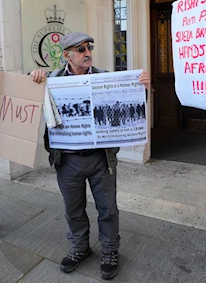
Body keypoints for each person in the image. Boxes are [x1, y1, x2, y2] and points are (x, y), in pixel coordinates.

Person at [31, 32, 150, 280]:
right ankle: (79, 248)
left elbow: (131, 104)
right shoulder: (51, 81)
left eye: (89, 48)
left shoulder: (105, 78)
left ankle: (109, 251)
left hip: (100, 160)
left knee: (107, 209)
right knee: (73, 209)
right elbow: (29, 105)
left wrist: (142, 87)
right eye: (80, 49)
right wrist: (34, 80)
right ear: (66, 55)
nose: (87, 53)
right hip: (67, 160)